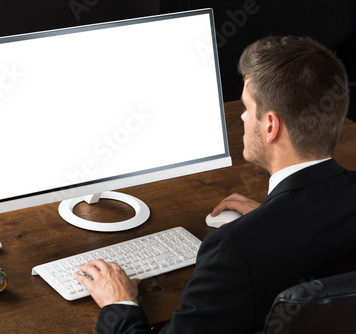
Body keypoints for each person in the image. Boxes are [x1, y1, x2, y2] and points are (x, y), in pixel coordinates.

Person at [74, 35, 356, 333]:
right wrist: (276, 218)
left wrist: (119, 305)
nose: (243, 116)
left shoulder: (234, 250)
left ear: (270, 126)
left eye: (247, 106)